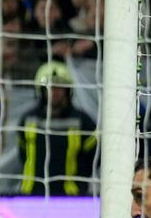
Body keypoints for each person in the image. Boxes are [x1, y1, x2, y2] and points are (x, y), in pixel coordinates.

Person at [16, 61, 98, 196]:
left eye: (59, 87)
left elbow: (94, 158)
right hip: (30, 195)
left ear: (68, 90)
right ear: (41, 90)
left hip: (70, 198)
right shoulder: (28, 119)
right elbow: (23, 154)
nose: (54, 92)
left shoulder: (82, 121)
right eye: (49, 87)